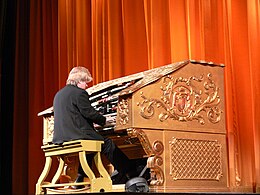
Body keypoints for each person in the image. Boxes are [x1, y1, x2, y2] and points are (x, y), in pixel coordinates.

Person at [52, 66, 133, 186]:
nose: (87, 85)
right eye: (85, 82)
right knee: (107, 144)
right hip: (76, 134)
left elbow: (75, 114)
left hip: (61, 136)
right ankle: (128, 171)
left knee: (91, 145)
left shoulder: (59, 94)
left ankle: (80, 176)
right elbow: (88, 112)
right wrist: (104, 120)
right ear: (79, 81)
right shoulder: (79, 93)